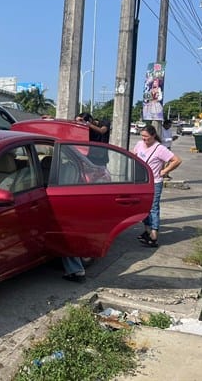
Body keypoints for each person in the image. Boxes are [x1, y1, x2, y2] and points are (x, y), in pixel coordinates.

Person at [61, 112, 111, 282]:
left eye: (81, 122)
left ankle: (78, 265)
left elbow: (103, 130)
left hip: (95, 163)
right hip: (82, 162)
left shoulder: (101, 123)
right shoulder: (68, 162)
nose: (80, 125)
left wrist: (85, 124)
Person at [133, 124, 182, 247]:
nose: (144, 139)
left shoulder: (159, 148)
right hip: (141, 181)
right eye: (142, 136)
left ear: (153, 135)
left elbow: (176, 160)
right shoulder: (139, 144)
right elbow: (134, 156)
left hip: (154, 182)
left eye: (147, 137)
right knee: (143, 207)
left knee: (153, 207)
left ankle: (154, 234)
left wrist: (164, 171)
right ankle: (147, 229)